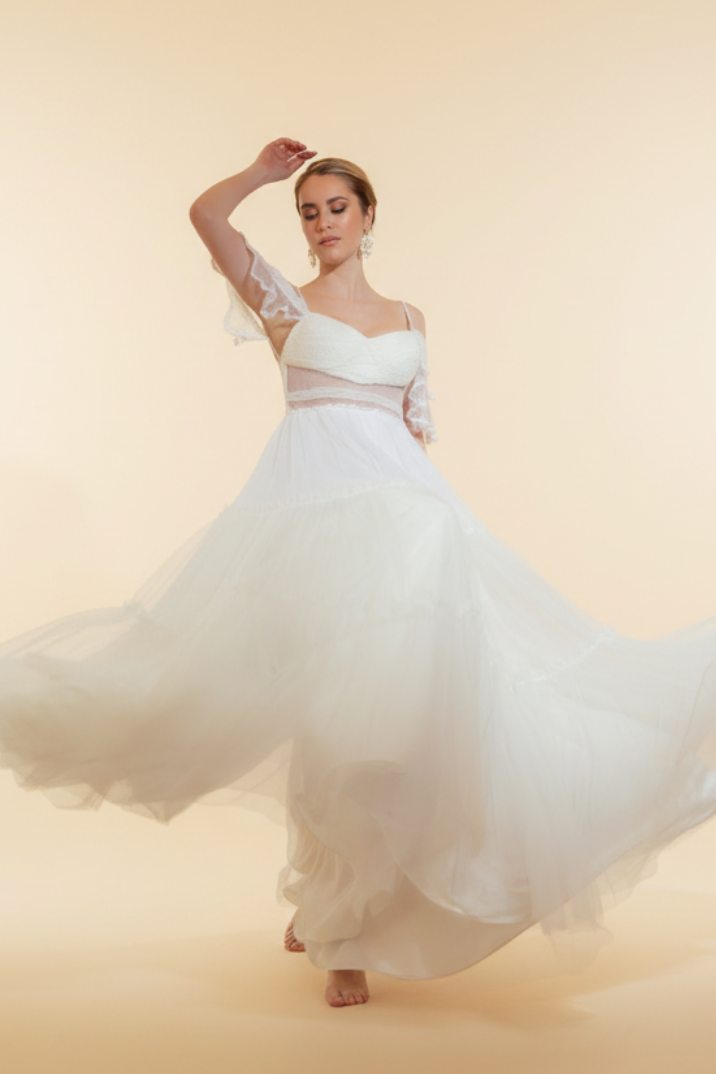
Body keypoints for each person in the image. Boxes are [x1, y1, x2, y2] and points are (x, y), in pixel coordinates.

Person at [2, 137, 716, 1010]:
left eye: (336, 207)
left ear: (368, 217)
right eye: (308, 211)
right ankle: (338, 931)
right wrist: (264, 175)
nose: (321, 223)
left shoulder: (412, 320)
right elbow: (205, 217)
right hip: (308, 533)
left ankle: (349, 906)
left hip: (410, 536)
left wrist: (448, 540)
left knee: (402, 729)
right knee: (333, 728)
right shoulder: (282, 306)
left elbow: (409, 441)